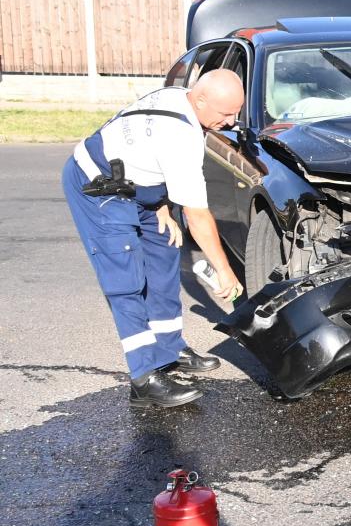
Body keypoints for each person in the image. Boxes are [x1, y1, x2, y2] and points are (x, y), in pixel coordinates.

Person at [61, 70, 246, 409]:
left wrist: (159, 203)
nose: (232, 122)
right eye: (225, 114)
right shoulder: (179, 135)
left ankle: (169, 348)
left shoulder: (182, 98)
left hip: (137, 187)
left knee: (164, 251)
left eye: (236, 112)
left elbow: (145, 152)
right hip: (99, 187)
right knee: (125, 277)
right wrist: (224, 270)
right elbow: (197, 215)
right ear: (201, 100)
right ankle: (144, 379)